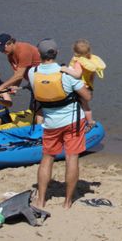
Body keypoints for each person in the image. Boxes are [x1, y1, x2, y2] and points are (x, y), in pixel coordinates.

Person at [28, 39, 91, 209]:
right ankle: (67, 202)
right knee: (72, 157)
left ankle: (41, 200)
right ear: (55, 53)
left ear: (39, 54)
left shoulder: (32, 73)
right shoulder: (66, 73)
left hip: (50, 123)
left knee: (47, 158)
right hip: (72, 121)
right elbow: (87, 96)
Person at [61, 39, 105, 126]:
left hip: (80, 87)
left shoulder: (78, 62)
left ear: (74, 51)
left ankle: (88, 122)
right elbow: (92, 75)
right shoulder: (90, 61)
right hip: (88, 86)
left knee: (81, 105)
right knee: (85, 106)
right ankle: (90, 121)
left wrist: (65, 69)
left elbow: (77, 74)